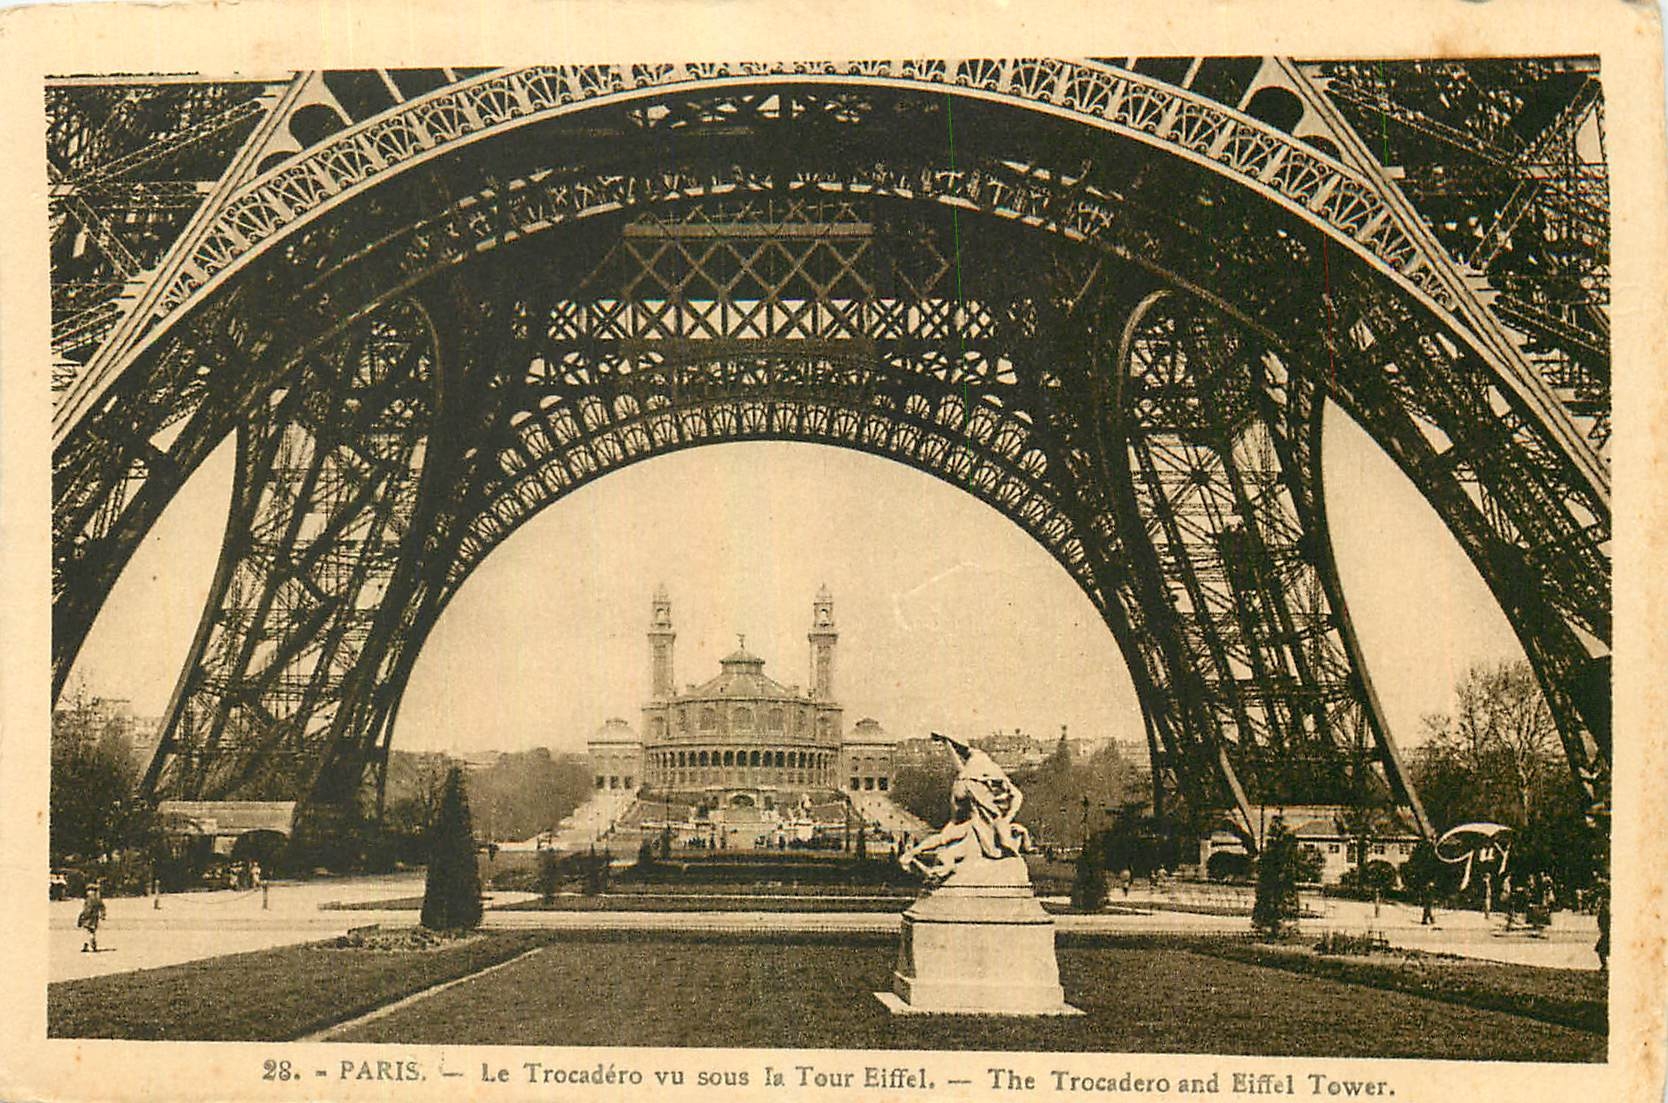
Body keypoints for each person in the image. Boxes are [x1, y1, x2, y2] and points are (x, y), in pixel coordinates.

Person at [77, 883, 107, 953]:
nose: (88, 892)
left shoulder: (89, 899)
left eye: (89, 890)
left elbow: (86, 910)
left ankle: (88, 945)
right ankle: (90, 945)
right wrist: (103, 915)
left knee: (88, 931)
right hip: (94, 917)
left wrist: (81, 917)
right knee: (91, 932)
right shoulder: (98, 899)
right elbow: (102, 908)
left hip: (88, 917)